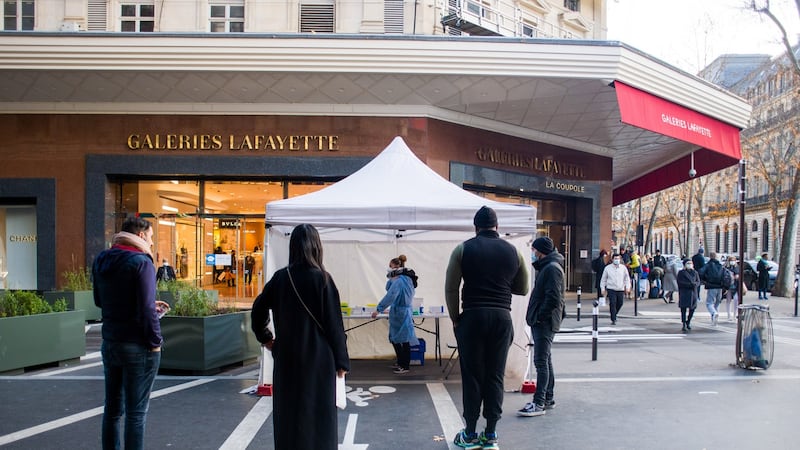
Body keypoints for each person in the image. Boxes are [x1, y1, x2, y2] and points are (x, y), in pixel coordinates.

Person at [251, 224, 350, 450]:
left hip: (287, 359)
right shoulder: (323, 279)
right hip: (319, 361)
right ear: (317, 247)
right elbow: (335, 325)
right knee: (320, 420)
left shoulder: (280, 278)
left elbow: (258, 309)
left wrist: (267, 339)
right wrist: (341, 362)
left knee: (289, 418)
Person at [445, 206, 529, 449]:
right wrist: (500, 285)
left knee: (472, 376)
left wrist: (455, 318)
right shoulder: (514, 251)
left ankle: (470, 433)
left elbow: (451, 287)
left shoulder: (463, 249)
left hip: (472, 317)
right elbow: (522, 288)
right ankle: (490, 432)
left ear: (475, 227)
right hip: (502, 318)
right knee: (495, 374)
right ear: (497, 227)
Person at [92, 217, 169, 450]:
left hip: (111, 340)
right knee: (136, 413)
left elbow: (99, 300)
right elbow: (146, 309)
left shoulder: (102, 259)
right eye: (152, 236)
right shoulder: (141, 262)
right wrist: (156, 342)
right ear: (141, 235)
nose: (153, 242)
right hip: (138, 344)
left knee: (112, 410)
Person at [517, 236, 565, 418]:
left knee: (541, 362)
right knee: (545, 360)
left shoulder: (551, 269)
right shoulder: (549, 267)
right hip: (545, 320)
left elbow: (553, 297)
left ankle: (539, 402)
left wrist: (539, 317)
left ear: (540, 251)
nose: (532, 253)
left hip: (544, 322)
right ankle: (547, 398)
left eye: (534, 249)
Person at [372, 254, 419, 374]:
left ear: (397, 268)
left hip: (400, 312)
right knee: (399, 339)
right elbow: (391, 290)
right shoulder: (406, 279)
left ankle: (404, 365)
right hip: (401, 311)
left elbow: (391, 295)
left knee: (401, 340)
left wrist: (379, 309)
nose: (389, 269)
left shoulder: (400, 281)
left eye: (391, 267)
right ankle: (401, 362)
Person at [599, 253, 631, 325]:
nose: (617, 260)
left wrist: (627, 287)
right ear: (612, 259)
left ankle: (614, 313)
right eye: (615, 259)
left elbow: (627, 278)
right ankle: (613, 318)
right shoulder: (608, 268)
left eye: (618, 259)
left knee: (620, 303)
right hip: (611, 288)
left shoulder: (623, 268)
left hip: (620, 288)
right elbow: (603, 279)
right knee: (613, 303)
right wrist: (602, 289)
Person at [699, 252, 725, 326]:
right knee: (717, 303)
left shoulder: (708, 265)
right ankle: (714, 319)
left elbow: (701, 272)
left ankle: (713, 313)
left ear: (710, 257)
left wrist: (704, 280)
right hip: (720, 286)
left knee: (709, 303)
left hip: (711, 285)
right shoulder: (720, 265)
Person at [676, 259, 701, 331]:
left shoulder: (695, 272)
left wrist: (695, 285)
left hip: (693, 292)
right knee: (683, 309)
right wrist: (689, 285)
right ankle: (683, 323)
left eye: (691, 263)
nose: (690, 265)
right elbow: (680, 282)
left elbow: (698, 281)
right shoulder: (681, 273)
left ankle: (688, 321)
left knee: (692, 308)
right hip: (684, 292)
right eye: (688, 263)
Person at [724, 256, 740, 321]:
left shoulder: (737, 267)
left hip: (736, 286)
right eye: (731, 260)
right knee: (728, 300)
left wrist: (737, 276)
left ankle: (735, 314)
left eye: (733, 260)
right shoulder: (726, 268)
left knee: (736, 299)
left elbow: (738, 274)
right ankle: (729, 315)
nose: (732, 262)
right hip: (729, 286)